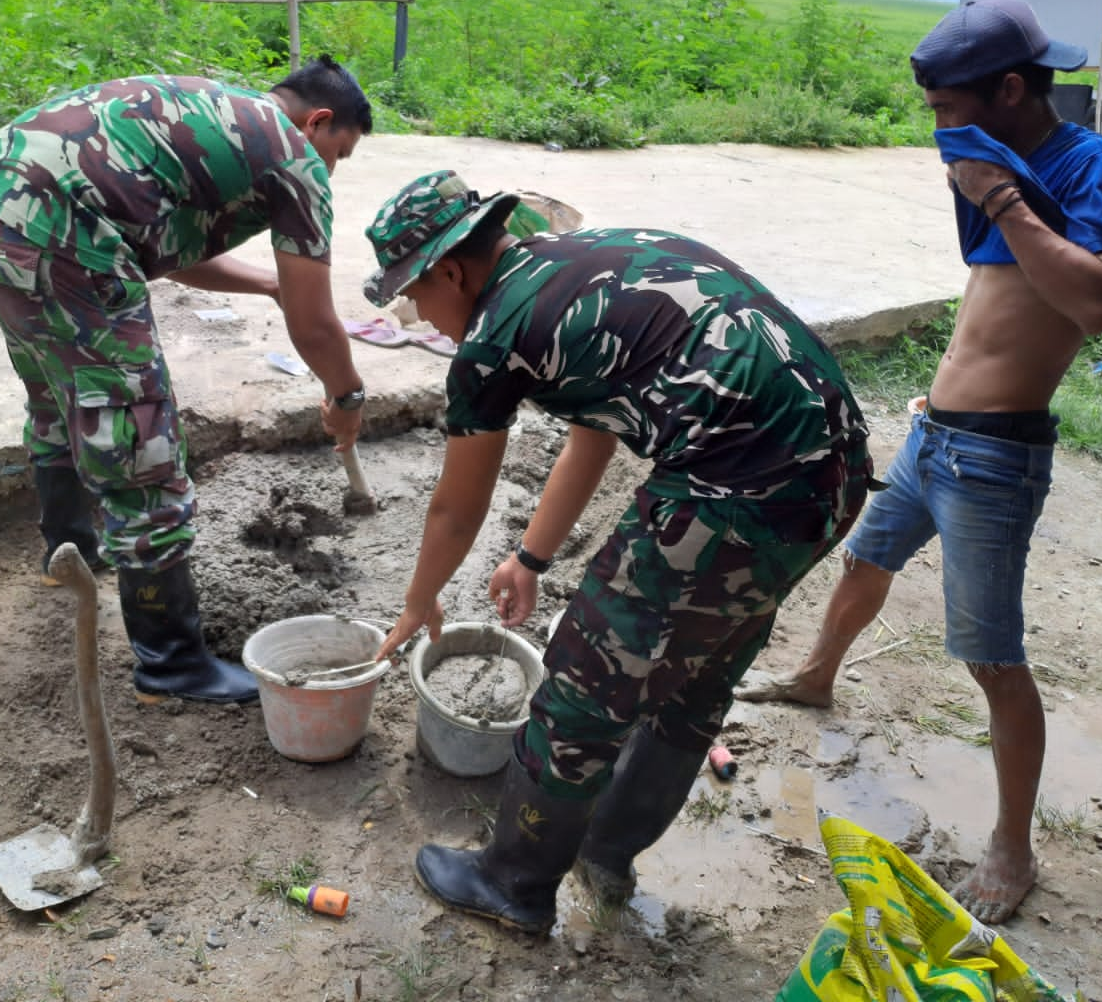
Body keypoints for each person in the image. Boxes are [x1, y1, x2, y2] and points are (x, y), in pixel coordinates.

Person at [364, 170, 874, 934]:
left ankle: (514, 882)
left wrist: (416, 602)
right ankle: (605, 849)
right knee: (697, 669)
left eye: (414, 296)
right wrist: (530, 560)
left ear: (451, 270)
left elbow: (455, 507)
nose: (420, 317)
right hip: (833, 469)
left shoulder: (492, 338)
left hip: (734, 486)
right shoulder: (584, 260)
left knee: (582, 688)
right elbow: (594, 427)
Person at [738, 0, 1102, 924]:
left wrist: (1002, 195)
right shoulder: (997, 158)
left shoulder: (1090, 166)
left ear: (1009, 89)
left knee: (993, 659)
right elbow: (995, 310)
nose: (936, 127)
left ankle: (1012, 846)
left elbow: (1097, 303)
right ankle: (814, 676)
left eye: (946, 107)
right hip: (937, 434)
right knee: (867, 559)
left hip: (996, 457)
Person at [0, 56, 372, 706]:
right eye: (338, 151)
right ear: (319, 122)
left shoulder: (209, 115)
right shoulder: (294, 155)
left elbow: (167, 251)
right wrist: (346, 396)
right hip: (66, 245)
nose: (331, 169)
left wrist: (268, 283)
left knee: (59, 407)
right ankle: (171, 662)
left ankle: (69, 559)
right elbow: (316, 328)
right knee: (139, 443)